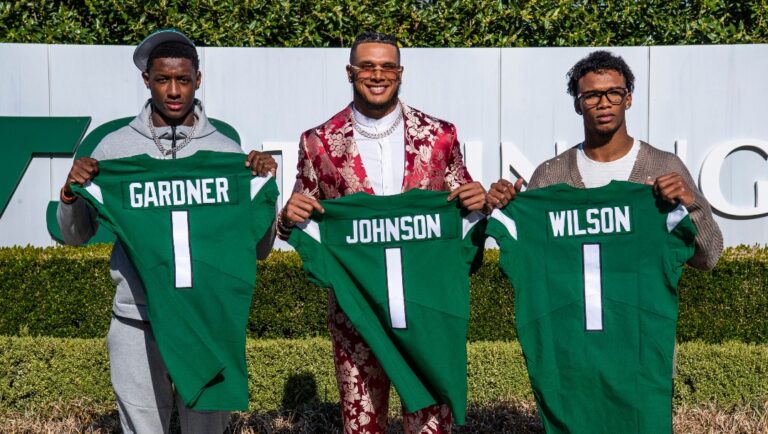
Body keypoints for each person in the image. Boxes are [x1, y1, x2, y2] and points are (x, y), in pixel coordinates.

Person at [57, 29, 276, 434]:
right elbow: (76, 235)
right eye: (163, 79)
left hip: (206, 322)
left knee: (206, 430)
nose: (174, 90)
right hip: (136, 320)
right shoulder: (115, 149)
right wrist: (71, 195)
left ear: (198, 79)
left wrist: (263, 193)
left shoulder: (227, 153)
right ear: (147, 81)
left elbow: (257, 249)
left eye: (183, 79)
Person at [276, 31, 486, 433]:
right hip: (357, 317)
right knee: (361, 428)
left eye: (387, 66)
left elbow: (463, 211)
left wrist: (480, 201)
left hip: (425, 313)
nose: (377, 74)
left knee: (430, 428)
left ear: (400, 72)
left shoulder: (440, 136)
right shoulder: (318, 142)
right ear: (350, 72)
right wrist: (286, 219)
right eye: (367, 66)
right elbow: (302, 224)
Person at [487, 50, 722, 269]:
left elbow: (708, 257)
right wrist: (508, 211)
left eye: (614, 93)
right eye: (591, 96)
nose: (604, 103)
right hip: (572, 312)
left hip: (642, 311)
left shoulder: (664, 167)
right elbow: (530, 258)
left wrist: (691, 202)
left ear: (628, 99)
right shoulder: (551, 175)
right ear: (578, 104)